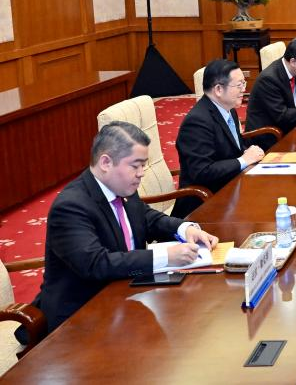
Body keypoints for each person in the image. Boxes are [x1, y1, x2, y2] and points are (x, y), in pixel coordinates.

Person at [23, 122, 219, 338]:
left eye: (144, 166)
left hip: (126, 297)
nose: (141, 173)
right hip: (80, 317)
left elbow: (146, 218)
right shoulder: (71, 206)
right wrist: (165, 256)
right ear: (106, 162)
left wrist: (184, 228)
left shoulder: (121, 186)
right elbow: (96, 264)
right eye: (136, 165)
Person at [172, 59, 264, 218]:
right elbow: (202, 172)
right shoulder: (197, 122)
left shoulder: (229, 110)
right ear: (219, 89)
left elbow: (232, 149)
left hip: (230, 191)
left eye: (244, 83)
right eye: (239, 85)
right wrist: (243, 160)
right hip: (203, 206)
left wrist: (246, 152)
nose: (244, 89)